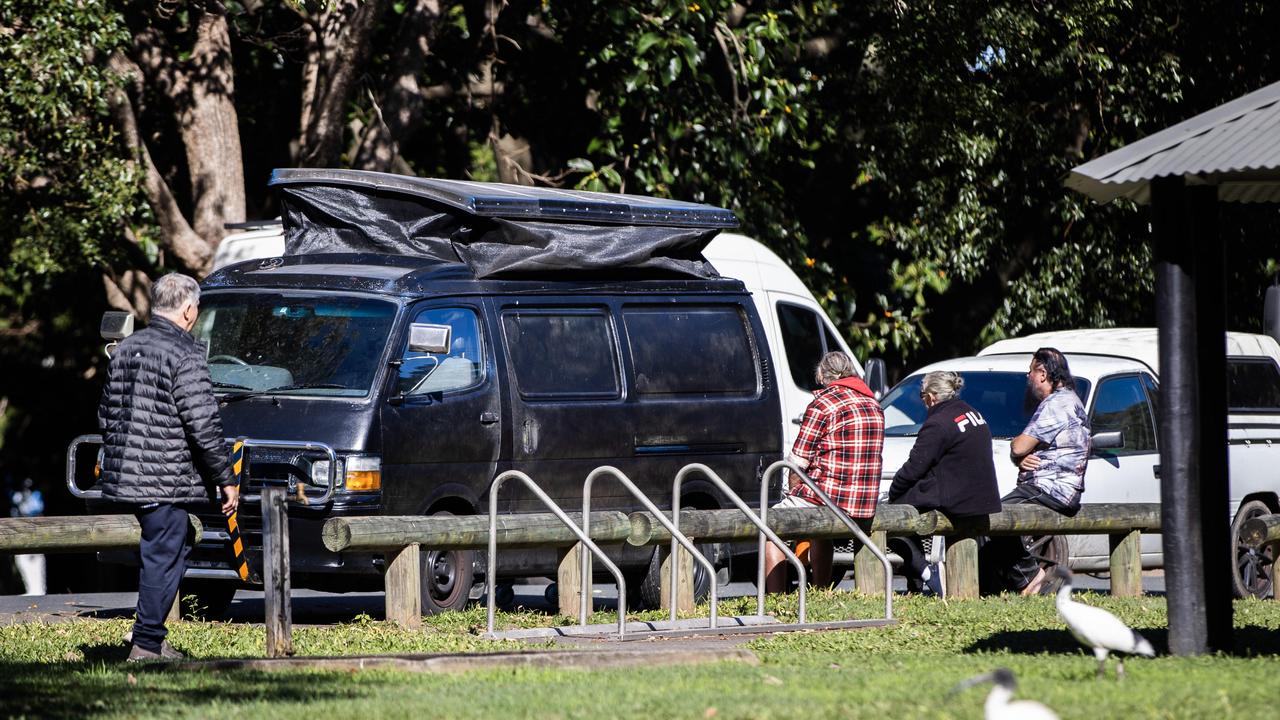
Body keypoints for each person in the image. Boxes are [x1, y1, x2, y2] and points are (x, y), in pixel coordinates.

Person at [98, 273, 239, 661]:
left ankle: (154, 638)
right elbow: (203, 424)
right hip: (164, 479)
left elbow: (107, 414)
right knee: (166, 551)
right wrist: (225, 478)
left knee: (173, 546)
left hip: (125, 473)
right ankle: (145, 644)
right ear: (190, 310)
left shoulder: (127, 347)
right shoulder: (185, 353)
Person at [765, 352, 884, 592]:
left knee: (770, 525)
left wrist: (792, 491)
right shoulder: (874, 405)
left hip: (829, 499)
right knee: (822, 531)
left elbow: (797, 461)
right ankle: (821, 590)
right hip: (863, 504)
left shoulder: (823, 404)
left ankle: (774, 597)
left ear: (821, 376)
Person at [984, 347, 1090, 595]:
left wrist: (1016, 451)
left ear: (1042, 373)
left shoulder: (1056, 404)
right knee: (998, 517)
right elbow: (1025, 451)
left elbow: (1020, 445)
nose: (1028, 377)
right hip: (1058, 488)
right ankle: (1002, 585)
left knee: (996, 516)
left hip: (1050, 488)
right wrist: (1020, 459)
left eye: (1030, 371)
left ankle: (1030, 576)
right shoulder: (1070, 400)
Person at [887, 371, 1000, 594]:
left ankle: (926, 574)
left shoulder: (938, 423)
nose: (922, 401)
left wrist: (894, 490)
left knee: (892, 517)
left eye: (922, 395)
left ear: (932, 396)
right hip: (983, 497)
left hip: (957, 498)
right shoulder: (972, 412)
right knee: (905, 506)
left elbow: (914, 467)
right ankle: (917, 582)